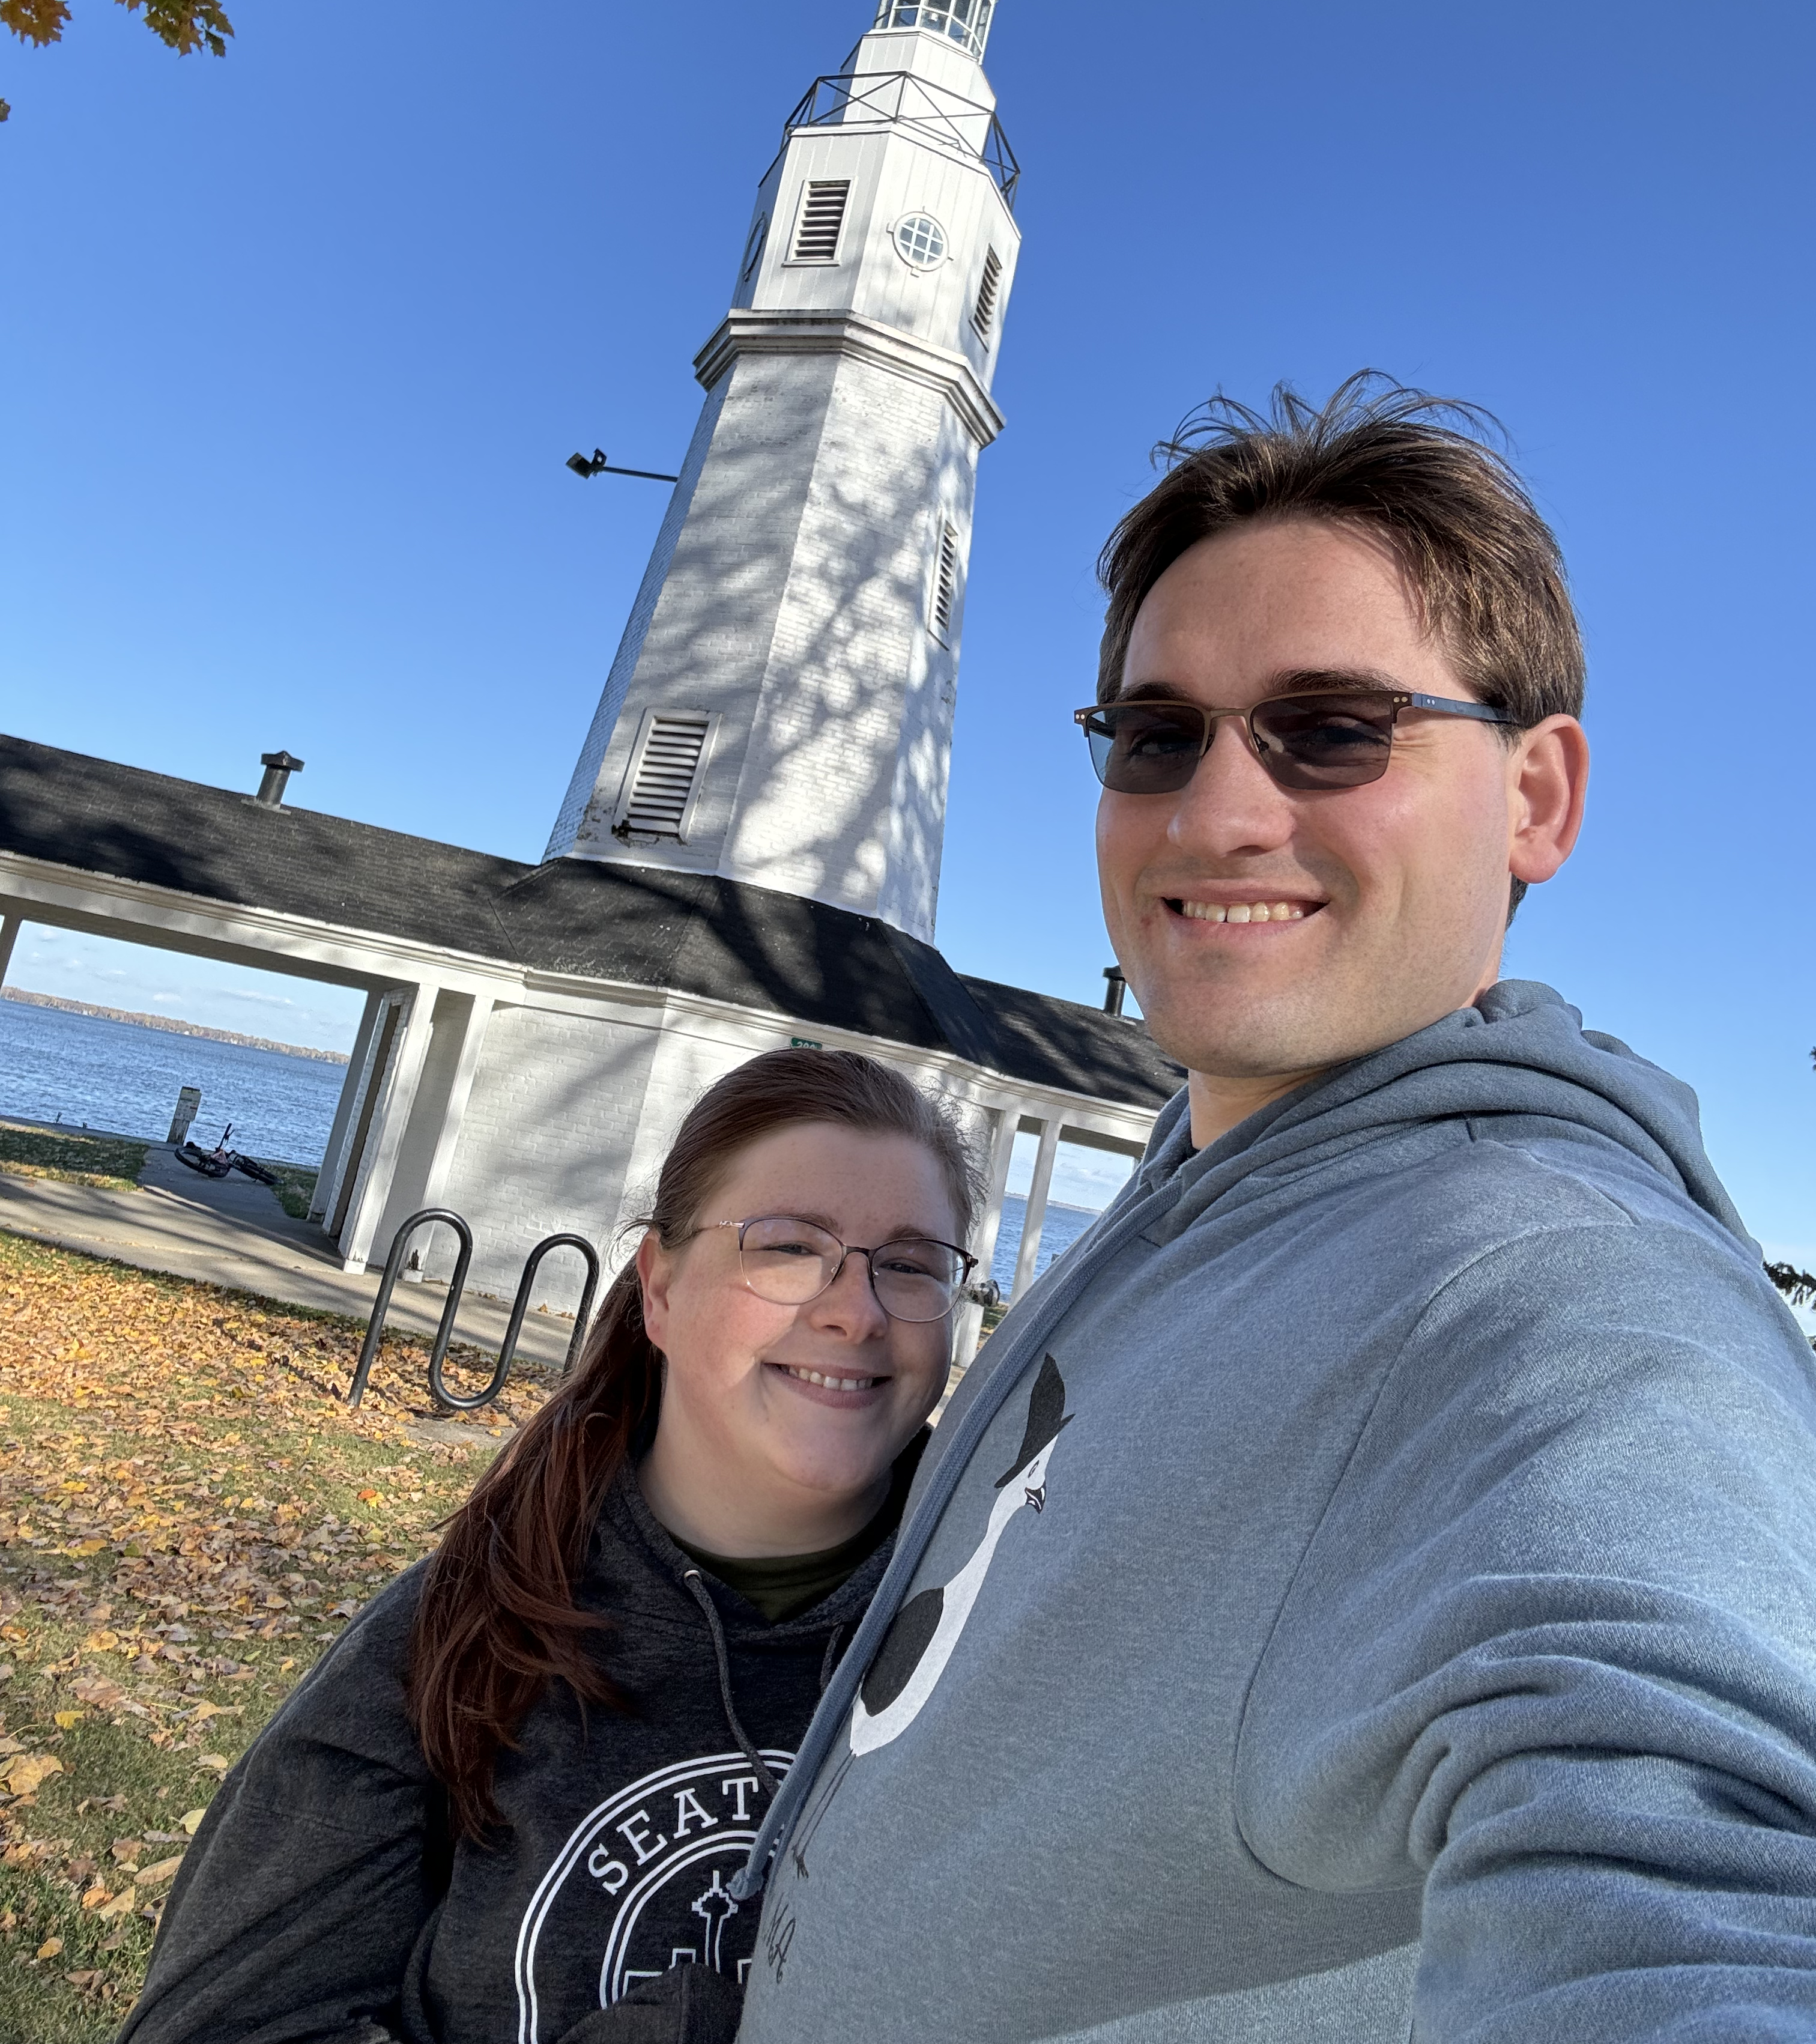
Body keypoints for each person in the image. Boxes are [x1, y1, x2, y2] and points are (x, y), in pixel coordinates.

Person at [733, 374, 1816, 2042]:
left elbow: (1690, 1897)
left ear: (1535, 799)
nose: (1217, 811)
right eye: (1159, 733)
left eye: (1332, 728)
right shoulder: (1208, 1179)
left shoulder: (1559, 1292)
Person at [119, 1046, 979, 2044]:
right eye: (788, 1246)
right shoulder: (462, 1634)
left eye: (913, 1264)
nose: (856, 1310)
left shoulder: (1009, 1638)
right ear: (658, 1288)